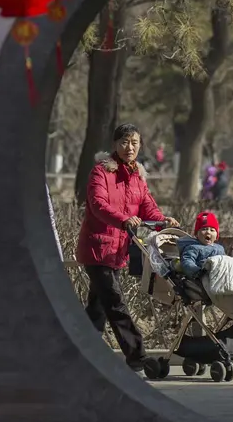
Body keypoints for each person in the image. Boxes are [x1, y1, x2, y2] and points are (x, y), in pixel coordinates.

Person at [77, 123, 180, 373]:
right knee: (116, 303)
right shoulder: (101, 173)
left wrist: (162, 221)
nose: (129, 147)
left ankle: (79, 355)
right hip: (97, 248)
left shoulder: (137, 177)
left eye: (134, 142)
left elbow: (147, 206)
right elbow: (98, 204)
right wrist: (123, 219)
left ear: (140, 145)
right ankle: (138, 357)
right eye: (124, 142)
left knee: (98, 308)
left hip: (117, 250)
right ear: (115, 145)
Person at [175, 211, 226, 279]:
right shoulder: (193, 247)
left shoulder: (220, 248)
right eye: (204, 229)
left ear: (216, 235)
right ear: (196, 234)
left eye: (212, 230)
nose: (208, 232)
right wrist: (196, 271)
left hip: (218, 276)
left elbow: (225, 261)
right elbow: (187, 261)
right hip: (200, 277)